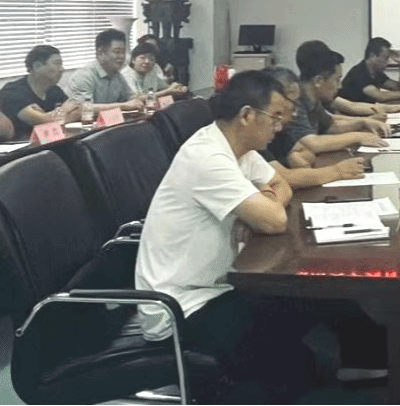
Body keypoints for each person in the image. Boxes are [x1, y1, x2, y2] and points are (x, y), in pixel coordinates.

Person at [134, 70, 314, 402]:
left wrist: (262, 203)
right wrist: (261, 209)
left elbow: (281, 184)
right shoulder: (208, 157)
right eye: (274, 117)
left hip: (215, 285)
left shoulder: (239, 148)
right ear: (246, 115)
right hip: (179, 307)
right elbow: (275, 220)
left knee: (296, 315)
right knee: (286, 357)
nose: (279, 127)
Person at [270, 41, 388, 168]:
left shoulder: (313, 99)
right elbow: (312, 143)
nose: (340, 86)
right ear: (318, 81)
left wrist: (362, 123)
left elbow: (330, 125)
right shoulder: (294, 100)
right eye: (336, 79)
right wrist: (358, 136)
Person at [264, 67, 366, 188]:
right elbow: (286, 178)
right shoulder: (257, 139)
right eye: (292, 104)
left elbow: (305, 159)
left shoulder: (283, 132)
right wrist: (338, 171)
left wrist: (301, 163)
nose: (295, 113)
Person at [0, 45, 80, 137]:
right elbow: (43, 121)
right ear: (37, 66)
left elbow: (77, 111)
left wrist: (57, 116)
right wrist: (65, 109)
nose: (62, 69)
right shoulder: (12, 92)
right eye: (57, 64)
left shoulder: (54, 90)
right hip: (24, 143)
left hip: (52, 141)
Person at [66, 29, 142, 111]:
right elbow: (83, 109)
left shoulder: (117, 75)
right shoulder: (83, 76)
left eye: (123, 52)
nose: (121, 56)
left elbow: (129, 97)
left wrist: (140, 99)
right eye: (117, 52)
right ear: (100, 53)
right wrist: (123, 106)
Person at [338, 37, 400, 103]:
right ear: (373, 56)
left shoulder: (376, 73)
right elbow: (379, 96)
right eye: (385, 58)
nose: (388, 62)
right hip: (349, 116)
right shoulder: (359, 73)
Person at [121, 42, 187, 100]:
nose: (147, 61)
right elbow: (136, 98)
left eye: (151, 59)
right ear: (133, 60)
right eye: (142, 58)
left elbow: (166, 87)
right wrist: (167, 92)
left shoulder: (151, 73)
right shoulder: (126, 75)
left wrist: (178, 88)